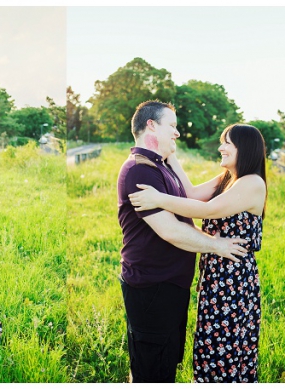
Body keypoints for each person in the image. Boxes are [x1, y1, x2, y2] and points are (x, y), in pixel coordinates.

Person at [116, 101, 248, 383]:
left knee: (164, 364)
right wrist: (218, 245)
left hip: (168, 285)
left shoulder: (159, 166)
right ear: (151, 125)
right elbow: (170, 230)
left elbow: (191, 197)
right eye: (172, 126)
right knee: (151, 372)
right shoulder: (140, 170)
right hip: (152, 286)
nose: (177, 133)